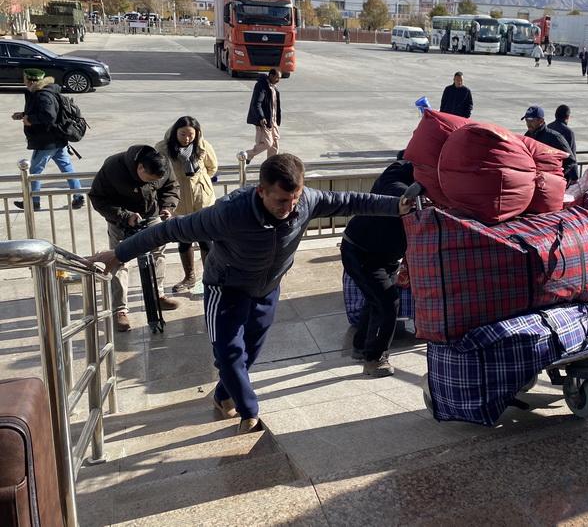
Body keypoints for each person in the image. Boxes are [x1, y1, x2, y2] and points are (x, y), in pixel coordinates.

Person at [88, 154, 414, 433]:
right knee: (229, 353)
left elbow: (352, 201)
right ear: (261, 191)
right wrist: (119, 254)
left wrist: (397, 206)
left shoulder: (307, 201)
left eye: (295, 199)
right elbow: (170, 229)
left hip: (267, 289)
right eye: (281, 200)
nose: (289, 207)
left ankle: (223, 395)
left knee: (250, 352)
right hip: (226, 287)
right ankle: (249, 412)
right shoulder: (229, 213)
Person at [88, 145, 181, 332]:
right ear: (140, 168)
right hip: (121, 222)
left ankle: (157, 296)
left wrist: (167, 207)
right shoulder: (113, 167)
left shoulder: (162, 164)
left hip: (152, 216)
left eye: (155, 181)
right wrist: (124, 216)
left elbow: (171, 187)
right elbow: (98, 198)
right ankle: (119, 310)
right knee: (118, 260)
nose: (153, 183)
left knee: (157, 256)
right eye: (149, 179)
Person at [341, 159, 415, 377]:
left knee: (376, 300)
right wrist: (416, 195)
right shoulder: (397, 171)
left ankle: (361, 345)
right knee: (388, 303)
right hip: (361, 251)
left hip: (386, 257)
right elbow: (394, 190)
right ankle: (375, 359)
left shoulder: (433, 182)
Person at [156, 116, 218, 294]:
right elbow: (160, 173)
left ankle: (210, 277)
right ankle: (189, 277)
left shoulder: (203, 146)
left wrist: (201, 182)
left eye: (191, 134)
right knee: (184, 240)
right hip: (179, 201)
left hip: (202, 200)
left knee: (206, 240)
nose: (187, 138)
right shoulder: (163, 148)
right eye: (183, 134)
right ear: (175, 132)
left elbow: (212, 167)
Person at [11, 68, 85, 211]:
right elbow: (46, 111)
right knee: (67, 168)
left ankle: (34, 201)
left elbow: (49, 116)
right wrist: (24, 114)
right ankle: (78, 196)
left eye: (25, 79)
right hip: (57, 139)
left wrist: (30, 120)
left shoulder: (42, 95)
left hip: (46, 141)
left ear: (30, 81)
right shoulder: (47, 91)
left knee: (34, 172)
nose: (24, 82)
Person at [522, 105, 577, 183]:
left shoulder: (554, 137)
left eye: (532, 120)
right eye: (527, 120)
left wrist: (557, 175)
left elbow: (571, 160)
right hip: (533, 181)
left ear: (541, 121)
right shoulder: (527, 136)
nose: (528, 124)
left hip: (552, 183)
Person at [245, 68, 282, 163]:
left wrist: (276, 119)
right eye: (277, 78)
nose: (279, 80)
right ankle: (247, 155)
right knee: (267, 143)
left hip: (273, 120)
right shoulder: (261, 86)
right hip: (264, 121)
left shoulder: (273, 87)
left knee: (275, 144)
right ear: (271, 76)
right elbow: (257, 103)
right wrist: (261, 117)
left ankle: (271, 164)